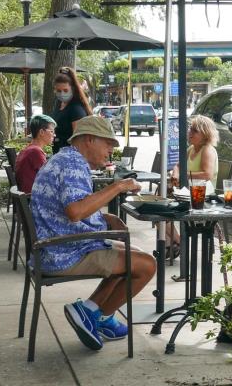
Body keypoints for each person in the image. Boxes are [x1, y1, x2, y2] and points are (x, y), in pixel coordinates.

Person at [31, 116, 156, 351]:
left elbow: (69, 208)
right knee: (147, 265)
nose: (110, 151)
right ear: (89, 139)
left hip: (54, 246)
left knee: (131, 253)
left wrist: (105, 218)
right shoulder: (73, 165)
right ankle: (90, 311)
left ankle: (100, 315)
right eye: (108, 144)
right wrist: (118, 186)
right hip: (64, 252)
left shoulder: (65, 159)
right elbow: (76, 211)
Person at [165, 115, 219, 256]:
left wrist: (184, 175)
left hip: (202, 196)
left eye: (195, 130)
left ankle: (175, 244)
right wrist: (176, 173)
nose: (190, 132)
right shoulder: (191, 149)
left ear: (205, 134)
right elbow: (177, 165)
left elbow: (207, 174)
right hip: (187, 193)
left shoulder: (207, 149)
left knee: (164, 206)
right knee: (160, 204)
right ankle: (176, 242)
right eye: (190, 129)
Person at [50, 66, 92, 154]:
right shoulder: (58, 103)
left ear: (72, 88)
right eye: (58, 90)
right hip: (58, 153)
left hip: (70, 157)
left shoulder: (76, 109)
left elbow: (78, 140)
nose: (62, 94)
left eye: (65, 90)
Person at [14, 114, 56, 193]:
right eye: (52, 131)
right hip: (33, 198)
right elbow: (49, 178)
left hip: (27, 196)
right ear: (41, 132)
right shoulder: (35, 152)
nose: (54, 135)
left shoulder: (29, 149)